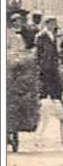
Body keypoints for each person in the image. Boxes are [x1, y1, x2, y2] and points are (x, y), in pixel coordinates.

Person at [7, 19, 41, 152]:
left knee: (14, 109)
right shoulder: (10, 37)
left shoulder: (23, 44)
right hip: (15, 79)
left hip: (16, 81)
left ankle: (12, 134)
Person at [35, 17, 63, 104]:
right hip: (45, 64)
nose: (53, 26)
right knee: (45, 84)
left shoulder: (53, 35)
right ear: (46, 24)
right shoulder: (42, 36)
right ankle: (44, 102)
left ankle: (56, 101)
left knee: (55, 85)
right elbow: (40, 51)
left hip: (53, 64)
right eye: (51, 24)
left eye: (54, 24)